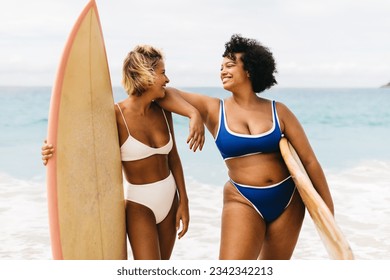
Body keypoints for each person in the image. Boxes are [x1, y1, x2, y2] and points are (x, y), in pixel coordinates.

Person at [163, 34, 334, 259]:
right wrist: (193, 113)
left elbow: (309, 161)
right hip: (242, 199)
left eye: (230, 65)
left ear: (249, 70)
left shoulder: (279, 111)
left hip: (288, 200)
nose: (222, 71)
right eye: (221, 67)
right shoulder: (214, 109)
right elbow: (164, 93)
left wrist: (328, 213)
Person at [42, 45, 205, 260]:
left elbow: (173, 158)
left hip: (170, 199)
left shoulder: (164, 111)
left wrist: (184, 201)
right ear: (146, 76)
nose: (167, 79)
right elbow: (83, 151)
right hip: (140, 205)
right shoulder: (116, 116)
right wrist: (51, 152)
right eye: (162, 73)